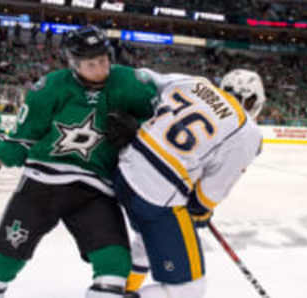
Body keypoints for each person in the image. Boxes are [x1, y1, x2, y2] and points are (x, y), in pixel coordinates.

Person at [0, 25, 158, 298]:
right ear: (74, 63)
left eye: (104, 60)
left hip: (95, 191)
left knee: (115, 266)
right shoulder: (50, 87)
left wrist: (138, 127)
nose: (100, 68)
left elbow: (164, 120)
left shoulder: (131, 84)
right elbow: (24, 138)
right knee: (1, 264)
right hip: (41, 186)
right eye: (91, 64)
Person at [111, 68, 266, 298]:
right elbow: (208, 195)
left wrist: (135, 117)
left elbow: (142, 77)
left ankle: (121, 288)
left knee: (148, 238)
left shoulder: (193, 83)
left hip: (124, 172)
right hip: (156, 196)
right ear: (255, 101)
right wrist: (200, 213)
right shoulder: (247, 131)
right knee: (188, 290)